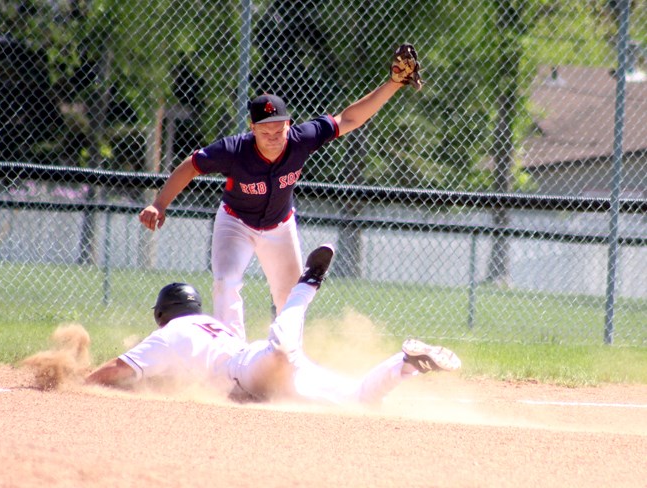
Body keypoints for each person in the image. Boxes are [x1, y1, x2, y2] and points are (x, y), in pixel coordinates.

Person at [138, 44, 423, 341]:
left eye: (279, 129)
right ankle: (230, 358)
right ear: (252, 128)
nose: (274, 137)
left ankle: (285, 359)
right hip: (235, 223)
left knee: (290, 296)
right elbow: (191, 166)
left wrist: (393, 84)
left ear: (289, 123)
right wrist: (160, 203)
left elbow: (349, 118)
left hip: (280, 226)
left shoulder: (302, 139)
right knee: (226, 282)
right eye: (265, 131)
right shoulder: (234, 150)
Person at [85, 244, 461, 406]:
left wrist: (77, 382)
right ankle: (406, 362)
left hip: (252, 371)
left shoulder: (168, 334)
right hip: (268, 369)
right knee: (360, 398)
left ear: (164, 313)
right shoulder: (210, 327)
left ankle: (305, 286)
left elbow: (119, 369)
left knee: (280, 347)